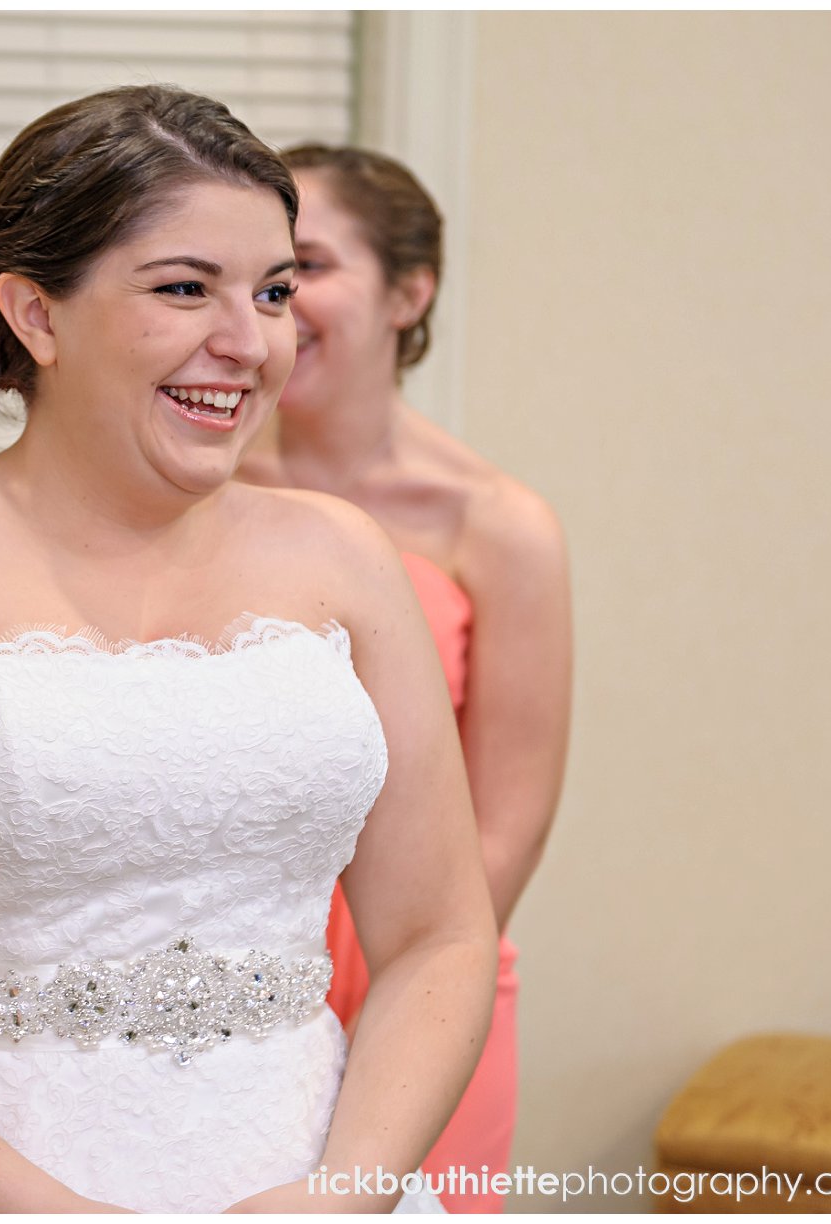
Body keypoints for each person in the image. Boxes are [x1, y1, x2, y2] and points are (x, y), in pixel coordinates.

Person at [0, 85, 498, 1213]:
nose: (250, 343)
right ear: (36, 313)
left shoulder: (347, 562)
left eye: (273, 291)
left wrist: (347, 1193)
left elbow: (439, 936)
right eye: (183, 289)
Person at [238, 144, 573, 1211]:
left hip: (419, 965)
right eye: (264, 281)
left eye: (308, 269)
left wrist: (407, 994)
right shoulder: (198, 485)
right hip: (229, 961)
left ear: (409, 292)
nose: (279, 306)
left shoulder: (495, 525)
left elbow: (508, 824)